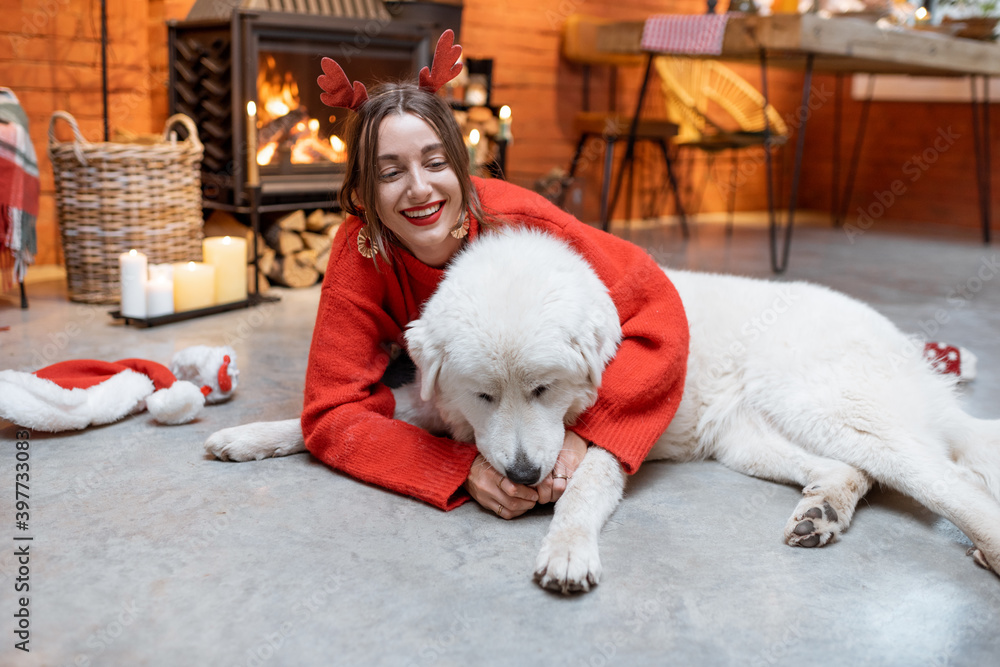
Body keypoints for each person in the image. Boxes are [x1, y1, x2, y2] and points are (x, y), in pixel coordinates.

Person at [301, 32, 689, 519]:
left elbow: (662, 315)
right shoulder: (360, 249)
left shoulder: (523, 220)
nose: (420, 189)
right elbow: (330, 413)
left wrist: (587, 435)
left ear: (461, 167)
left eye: (435, 162)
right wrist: (460, 467)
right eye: (390, 172)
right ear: (363, 190)